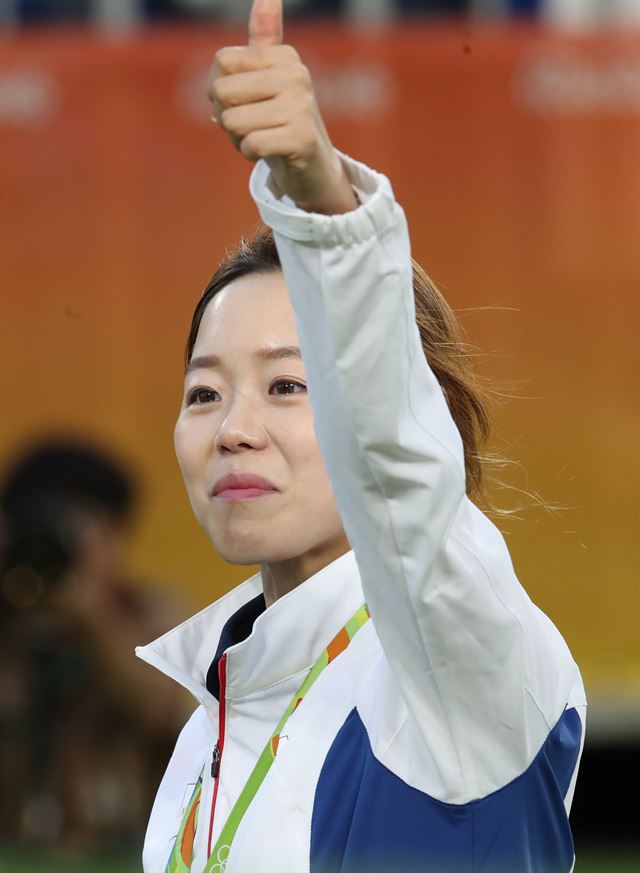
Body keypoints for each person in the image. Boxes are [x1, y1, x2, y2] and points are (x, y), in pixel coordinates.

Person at [136, 1, 586, 871]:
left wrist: (321, 205)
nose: (234, 429)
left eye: (289, 385)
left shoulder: (464, 662)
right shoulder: (207, 729)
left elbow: (398, 462)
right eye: (203, 393)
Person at [0, 439, 190, 852]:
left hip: (120, 848)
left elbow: (160, 713)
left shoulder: (151, 613)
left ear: (116, 535)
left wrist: (91, 616)